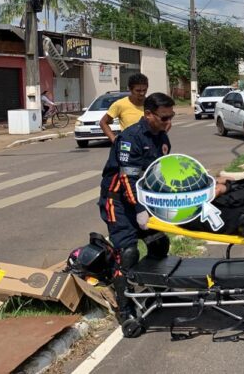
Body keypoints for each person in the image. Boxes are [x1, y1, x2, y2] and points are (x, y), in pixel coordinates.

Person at [98, 92, 175, 322]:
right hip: (119, 202)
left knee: (159, 243)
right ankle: (126, 309)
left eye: (171, 117)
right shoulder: (130, 138)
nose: (168, 122)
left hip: (144, 200)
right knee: (128, 253)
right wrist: (140, 209)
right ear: (148, 114)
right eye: (164, 118)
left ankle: (155, 292)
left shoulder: (161, 137)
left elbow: (161, 172)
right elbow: (127, 180)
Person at [100, 73, 149, 143]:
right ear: (130, 89)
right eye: (138, 91)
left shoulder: (151, 104)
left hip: (147, 145)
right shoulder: (120, 104)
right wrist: (114, 140)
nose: (142, 93)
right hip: (127, 145)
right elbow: (103, 122)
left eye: (144, 90)